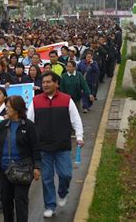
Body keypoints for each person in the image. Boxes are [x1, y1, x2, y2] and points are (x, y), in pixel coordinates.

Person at [27, 72, 83, 218]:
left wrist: (79, 136)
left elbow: (76, 120)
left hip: (62, 146)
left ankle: (63, 192)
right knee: (47, 178)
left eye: (48, 82)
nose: (45, 84)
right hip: (43, 147)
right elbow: (29, 123)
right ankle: (50, 205)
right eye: (43, 82)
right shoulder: (35, 101)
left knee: (65, 174)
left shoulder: (67, 100)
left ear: (56, 83)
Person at [0, 95, 41, 222]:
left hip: (23, 170)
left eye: (8, 107)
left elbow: (36, 148)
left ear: (17, 109)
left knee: (21, 202)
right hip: (4, 170)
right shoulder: (3, 125)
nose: (6, 110)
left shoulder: (29, 126)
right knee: (6, 202)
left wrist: (37, 166)